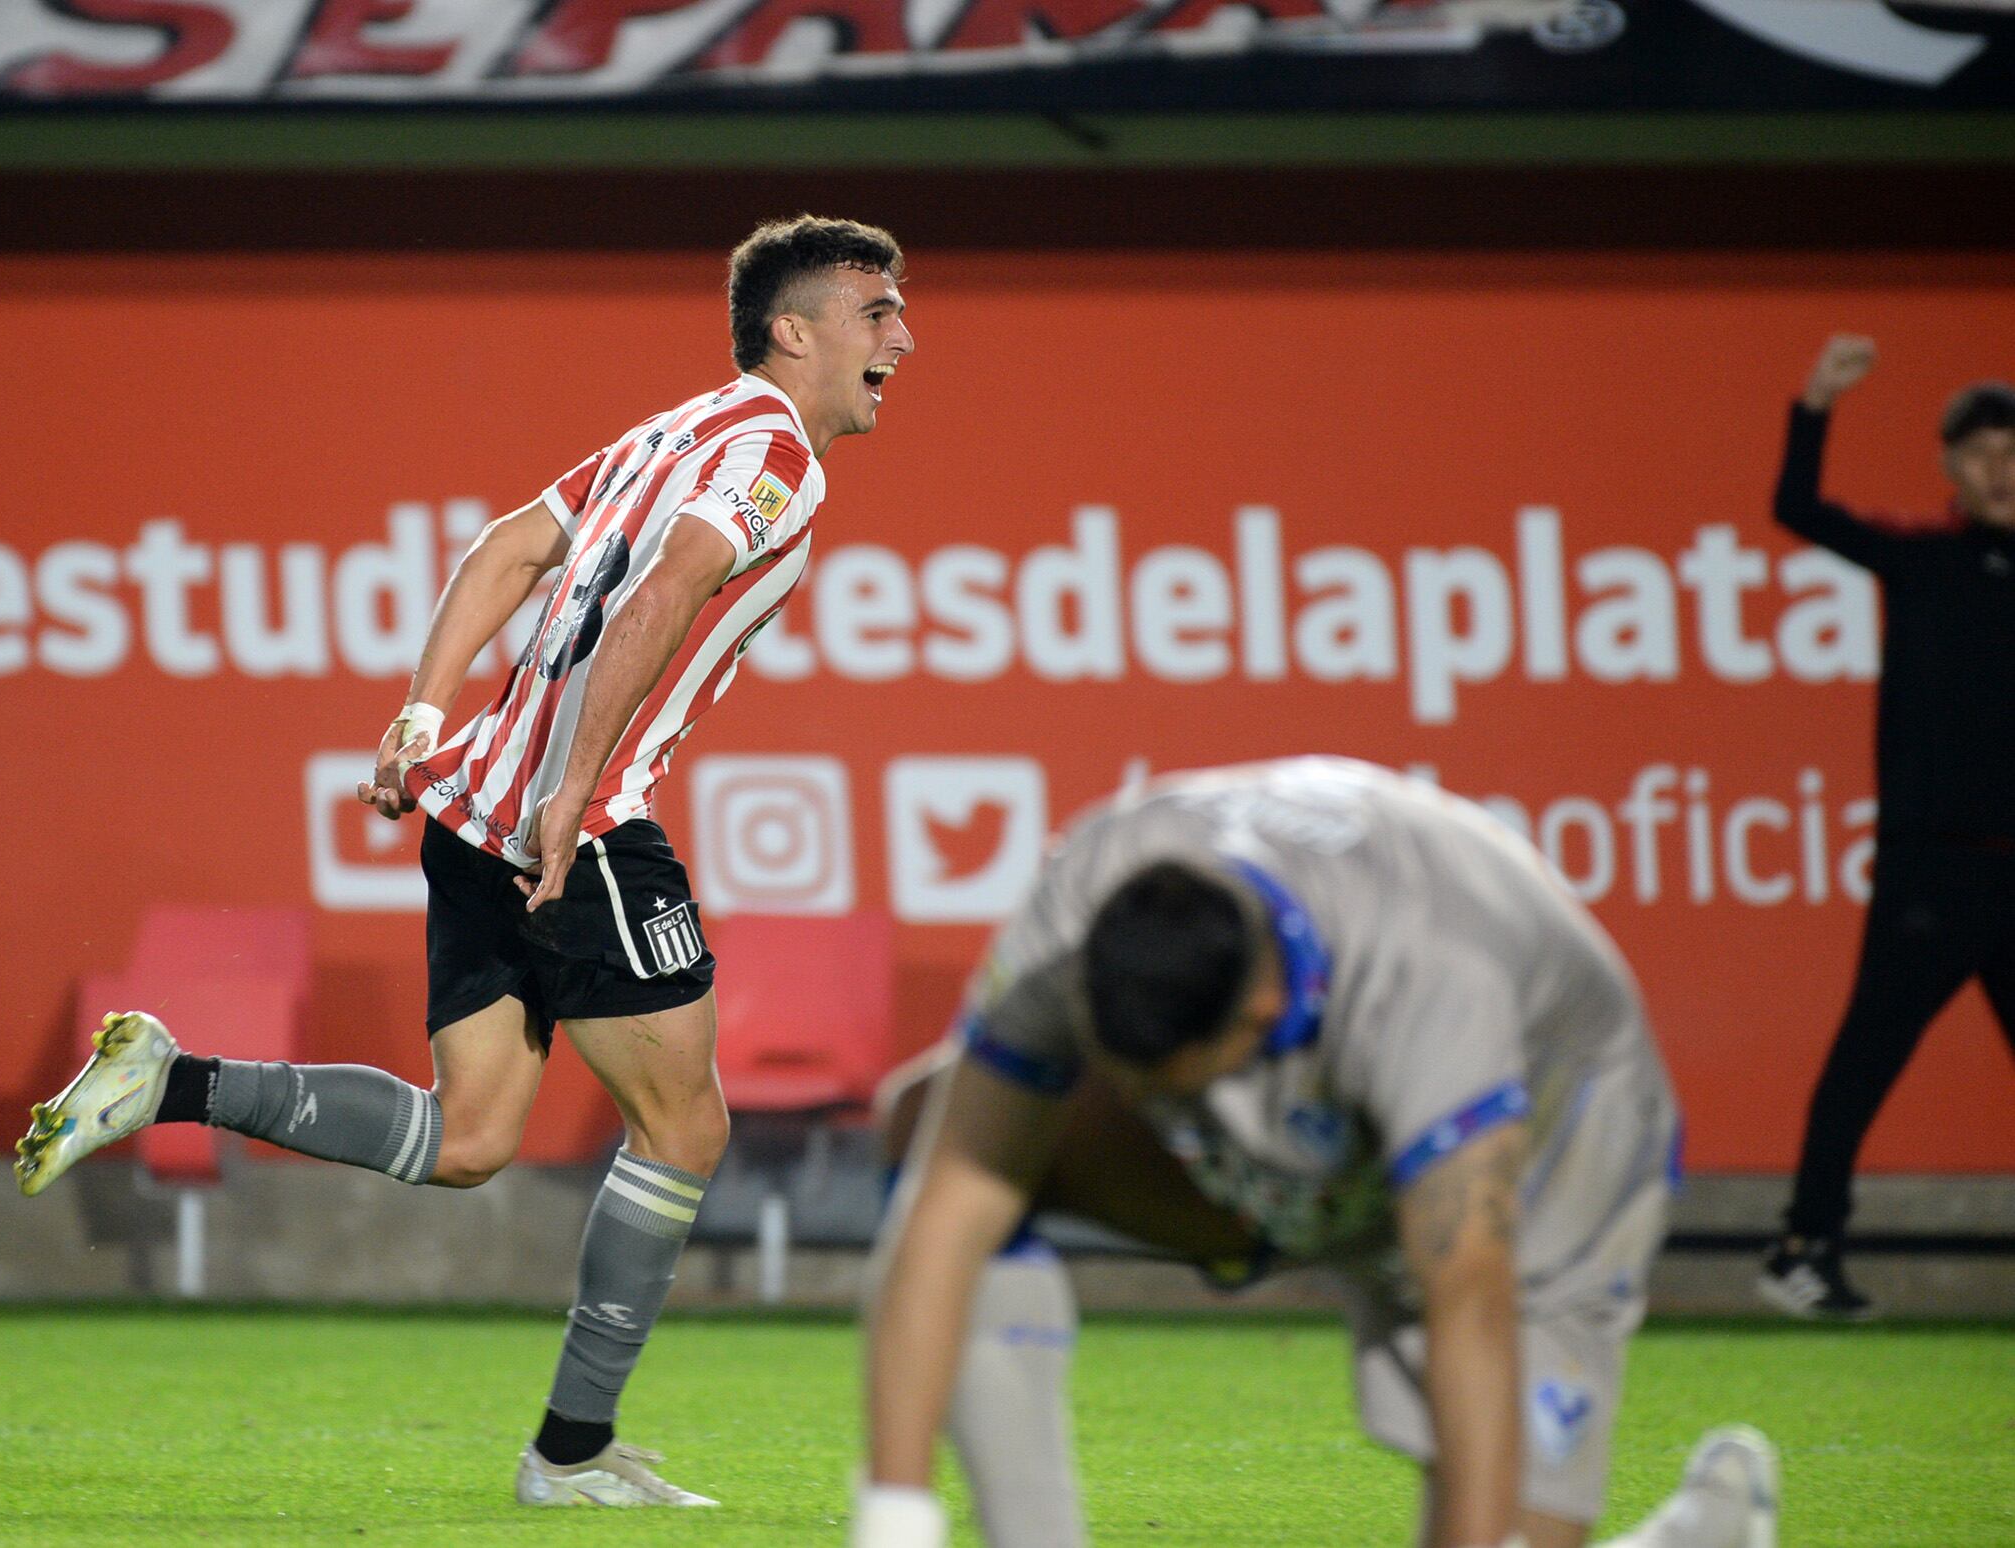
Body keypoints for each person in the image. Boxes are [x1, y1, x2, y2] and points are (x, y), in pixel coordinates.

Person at [13, 214, 914, 1509]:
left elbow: (507, 544)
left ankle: (172, 1078)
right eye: (876, 313)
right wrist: (573, 790)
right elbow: (665, 591)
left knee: (471, 1135)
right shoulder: (771, 454)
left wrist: (421, 713)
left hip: (471, 809)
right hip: (577, 831)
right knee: (685, 1125)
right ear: (793, 331)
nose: (901, 338)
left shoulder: (669, 431)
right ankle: (570, 1454)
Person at [855, 758, 1776, 1548]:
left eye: (1159, 1085)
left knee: (1497, 1529)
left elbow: (1469, 1300)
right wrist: (893, 1520)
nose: (1132, 1098)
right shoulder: (1084, 894)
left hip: (1550, 1150)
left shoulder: (1435, 985)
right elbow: (948, 1206)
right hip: (1309, 1128)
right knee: (936, 1121)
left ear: (1255, 1018)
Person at [1758, 336, 2015, 1322]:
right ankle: (1801, 1247)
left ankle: (1803, 1242)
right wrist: (1816, 404)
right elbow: (1797, 509)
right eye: (1980, 452)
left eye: (2011, 451)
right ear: (1950, 466)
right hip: (1931, 872)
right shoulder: (1921, 560)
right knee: (1866, 1059)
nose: (1999, 469)